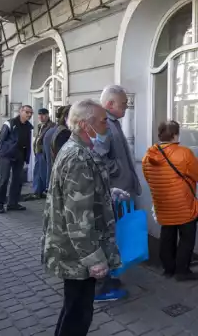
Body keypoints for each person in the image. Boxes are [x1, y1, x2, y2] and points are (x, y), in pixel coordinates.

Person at [41, 99, 128, 336]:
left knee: (74, 309)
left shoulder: (78, 150)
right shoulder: (78, 156)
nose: (107, 126)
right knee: (78, 314)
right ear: (85, 125)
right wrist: (94, 259)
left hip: (73, 250)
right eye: (102, 121)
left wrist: (107, 194)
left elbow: (79, 195)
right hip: (76, 253)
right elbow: (77, 215)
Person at [95, 85, 142, 301]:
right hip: (113, 193)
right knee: (108, 238)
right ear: (110, 104)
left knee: (115, 238)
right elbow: (99, 158)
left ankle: (111, 277)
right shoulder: (103, 125)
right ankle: (103, 286)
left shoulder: (111, 123)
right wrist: (120, 171)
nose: (126, 107)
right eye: (123, 104)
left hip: (118, 192)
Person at [142, 120, 198, 281]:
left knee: (167, 235)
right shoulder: (184, 153)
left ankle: (168, 269)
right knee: (186, 238)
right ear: (176, 134)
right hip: (184, 204)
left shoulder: (148, 156)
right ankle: (182, 271)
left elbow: (149, 178)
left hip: (162, 203)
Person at [0, 105, 34, 213]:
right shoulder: (10, 123)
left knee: (17, 180)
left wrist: (27, 159)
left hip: (19, 156)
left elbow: (27, 143)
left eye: (31, 113)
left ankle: (13, 203)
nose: (29, 115)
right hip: (6, 156)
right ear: (20, 111)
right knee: (4, 180)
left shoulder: (28, 127)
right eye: (27, 112)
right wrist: (0, 152)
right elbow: (0, 139)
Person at [43, 105, 71, 183]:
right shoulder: (64, 133)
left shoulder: (50, 131)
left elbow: (45, 156)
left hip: (52, 178)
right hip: (59, 178)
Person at [32, 108, 55, 198]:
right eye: (39, 115)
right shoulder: (39, 126)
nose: (41, 117)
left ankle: (44, 190)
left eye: (43, 115)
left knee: (43, 173)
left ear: (47, 115)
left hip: (44, 152)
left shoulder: (51, 126)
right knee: (37, 172)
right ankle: (37, 191)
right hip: (38, 152)